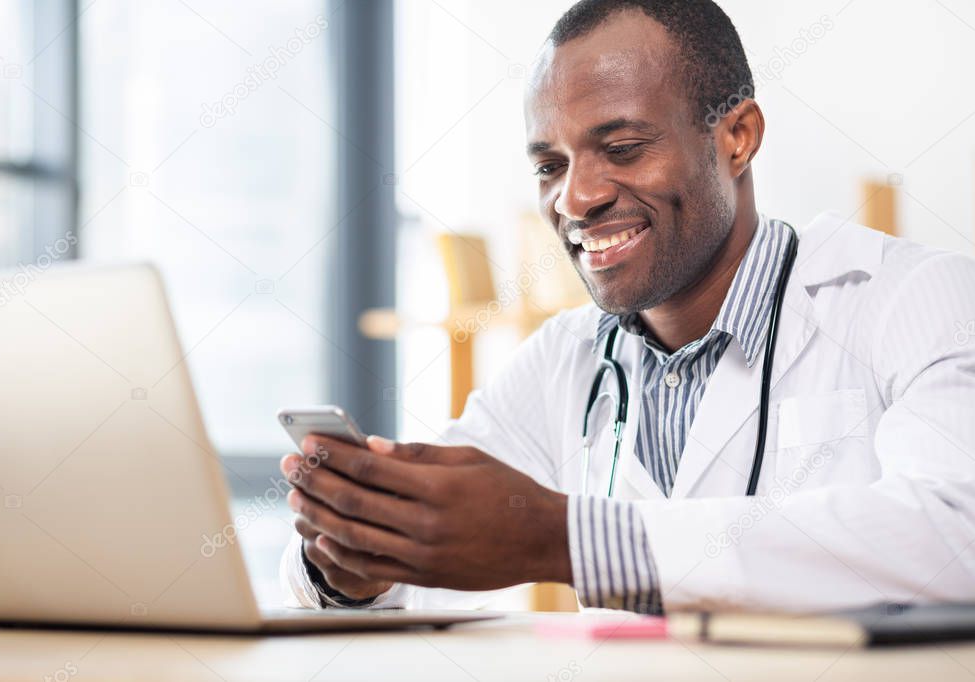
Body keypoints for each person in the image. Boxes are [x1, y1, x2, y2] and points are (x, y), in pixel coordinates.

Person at [279, 0, 975, 613]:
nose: (575, 199)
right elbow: (416, 556)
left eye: (622, 147)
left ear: (737, 137)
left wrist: (568, 540)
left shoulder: (915, 299)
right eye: (549, 166)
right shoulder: (565, 357)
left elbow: (955, 534)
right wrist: (354, 552)